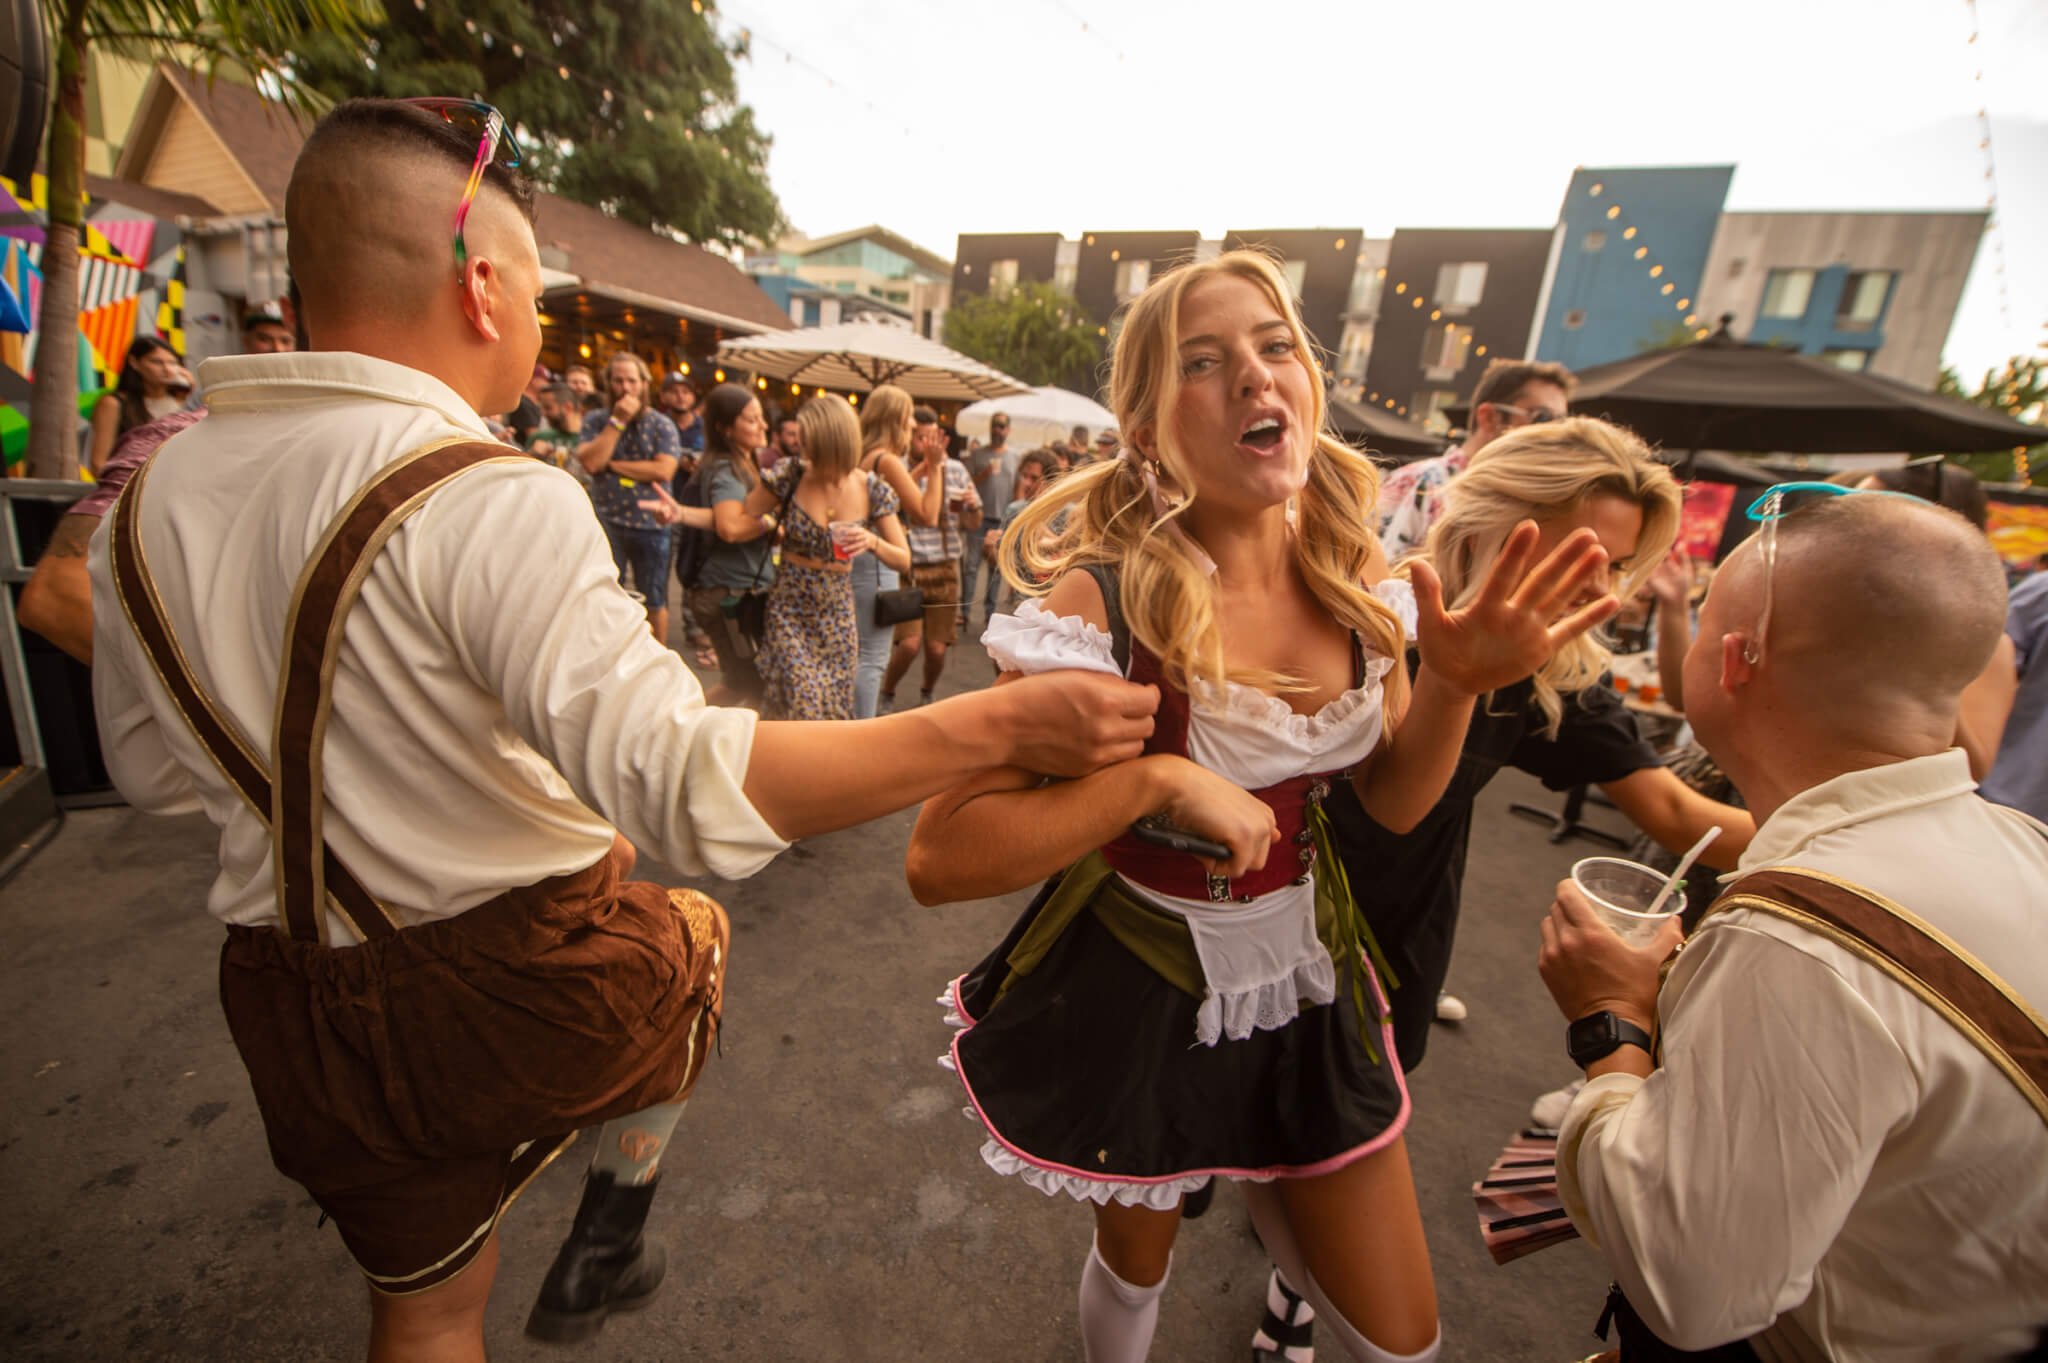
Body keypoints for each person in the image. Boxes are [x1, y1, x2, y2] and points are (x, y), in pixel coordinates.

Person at [84, 96, 1160, 1363]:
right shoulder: (489, 496)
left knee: (426, 1312)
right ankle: (612, 1219)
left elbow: (151, 773)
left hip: (285, 997)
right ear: (482, 288)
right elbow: (686, 787)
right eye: (537, 294)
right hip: (505, 983)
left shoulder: (145, 499)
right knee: (688, 937)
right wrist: (1001, 720)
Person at [906, 250, 1621, 1363]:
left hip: (1305, 974)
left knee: (1403, 1344)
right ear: (1146, 429)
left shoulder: (1359, 582)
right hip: (1141, 970)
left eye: (1274, 345)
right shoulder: (1101, 600)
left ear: (1306, 382)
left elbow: (1389, 808)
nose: (1253, 374)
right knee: (1137, 1269)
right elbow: (939, 856)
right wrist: (1146, 782)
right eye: (1203, 361)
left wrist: (1453, 684)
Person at [1536, 489, 2048, 1360]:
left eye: (1704, 623)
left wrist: (1612, 1023)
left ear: (1739, 658)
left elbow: (1689, 1286)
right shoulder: (2024, 848)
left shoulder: (1798, 939)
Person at [649, 397, 911, 719]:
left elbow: (903, 559)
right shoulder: (791, 475)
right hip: (790, 608)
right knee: (803, 699)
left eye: (808, 438)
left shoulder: (871, 489)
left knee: (832, 708)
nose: (801, 445)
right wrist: (681, 514)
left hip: (838, 612)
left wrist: (872, 541)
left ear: (832, 440)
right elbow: (733, 519)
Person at [1852, 460, 2016, 780]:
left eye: (1867, 509)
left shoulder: (1986, 642)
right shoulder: (1826, 607)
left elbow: (1974, 767)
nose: (1843, 521)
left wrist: (1918, 660)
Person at [1376, 358, 1574, 564]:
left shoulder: (1532, 501)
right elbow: (1372, 574)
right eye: (1542, 417)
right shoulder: (1420, 482)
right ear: (1488, 417)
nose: (1554, 433)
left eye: (1561, 422)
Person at [680, 383, 779, 705]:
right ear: (725, 429)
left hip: (729, 588)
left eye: (761, 417)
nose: (763, 425)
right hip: (727, 592)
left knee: (748, 683)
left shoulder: (740, 463)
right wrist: (769, 523)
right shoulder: (727, 469)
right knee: (745, 684)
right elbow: (730, 527)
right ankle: (680, 726)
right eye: (751, 419)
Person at [575, 352, 682, 645]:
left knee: (655, 598)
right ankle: (611, 654)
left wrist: (611, 465)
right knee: (607, 596)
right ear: (607, 384)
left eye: (632, 381)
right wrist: (618, 421)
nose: (625, 388)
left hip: (652, 524)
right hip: (607, 520)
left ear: (645, 384)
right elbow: (592, 462)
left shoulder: (661, 424)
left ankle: (658, 658)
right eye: (618, 381)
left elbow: (663, 470)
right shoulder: (597, 421)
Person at [852, 388, 944, 718]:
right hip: (877, 563)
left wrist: (919, 471)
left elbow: (893, 493)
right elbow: (927, 515)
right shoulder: (887, 460)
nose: (913, 424)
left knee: (862, 652)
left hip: (862, 561)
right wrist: (936, 467)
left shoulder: (868, 455)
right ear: (898, 420)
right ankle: (861, 729)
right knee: (873, 657)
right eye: (909, 416)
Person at [882, 407, 980, 710]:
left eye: (931, 437)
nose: (926, 444)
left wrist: (972, 508)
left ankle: (926, 692)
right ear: (909, 436)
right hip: (909, 569)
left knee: (937, 650)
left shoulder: (956, 470)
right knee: (909, 646)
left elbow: (973, 524)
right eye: (920, 437)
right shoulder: (896, 467)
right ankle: (887, 692)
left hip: (945, 569)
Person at [1981, 567, 2048, 821]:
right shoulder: (2041, 593)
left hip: (2015, 800)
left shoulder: (2041, 591)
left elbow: (1977, 668)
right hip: (2020, 799)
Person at [88, 336, 193, 474]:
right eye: (156, 362)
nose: (167, 369)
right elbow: (98, 463)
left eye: (172, 363)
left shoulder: (182, 402)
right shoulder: (113, 403)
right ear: (134, 362)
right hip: (130, 481)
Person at [979, 447, 1058, 620]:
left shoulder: (1066, 513)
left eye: (1034, 478)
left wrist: (1050, 539)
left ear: (1050, 481)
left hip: (1057, 607)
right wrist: (989, 547)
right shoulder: (1014, 510)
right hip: (1022, 605)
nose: (1026, 483)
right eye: (1024, 476)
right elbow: (1002, 564)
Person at [962, 410, 1017, 627]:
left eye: (1001, 426)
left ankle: (990, 614)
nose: (997, 429)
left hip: (1002, 519)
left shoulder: (1014, 457)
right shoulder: (978, 455)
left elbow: (1018, 488)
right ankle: (964, 612)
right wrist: (983, 475)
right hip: (979, 517)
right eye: (994, 425)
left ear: (1008, 430)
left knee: (996, 568)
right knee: (971, 566)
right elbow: (966, 484)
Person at [658, 373, 705, 461]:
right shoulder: (657, 426)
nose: (680, 396)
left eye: (685, 392)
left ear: (693, 396)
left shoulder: (706, 427)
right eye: (673, 392)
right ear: (662, 397)